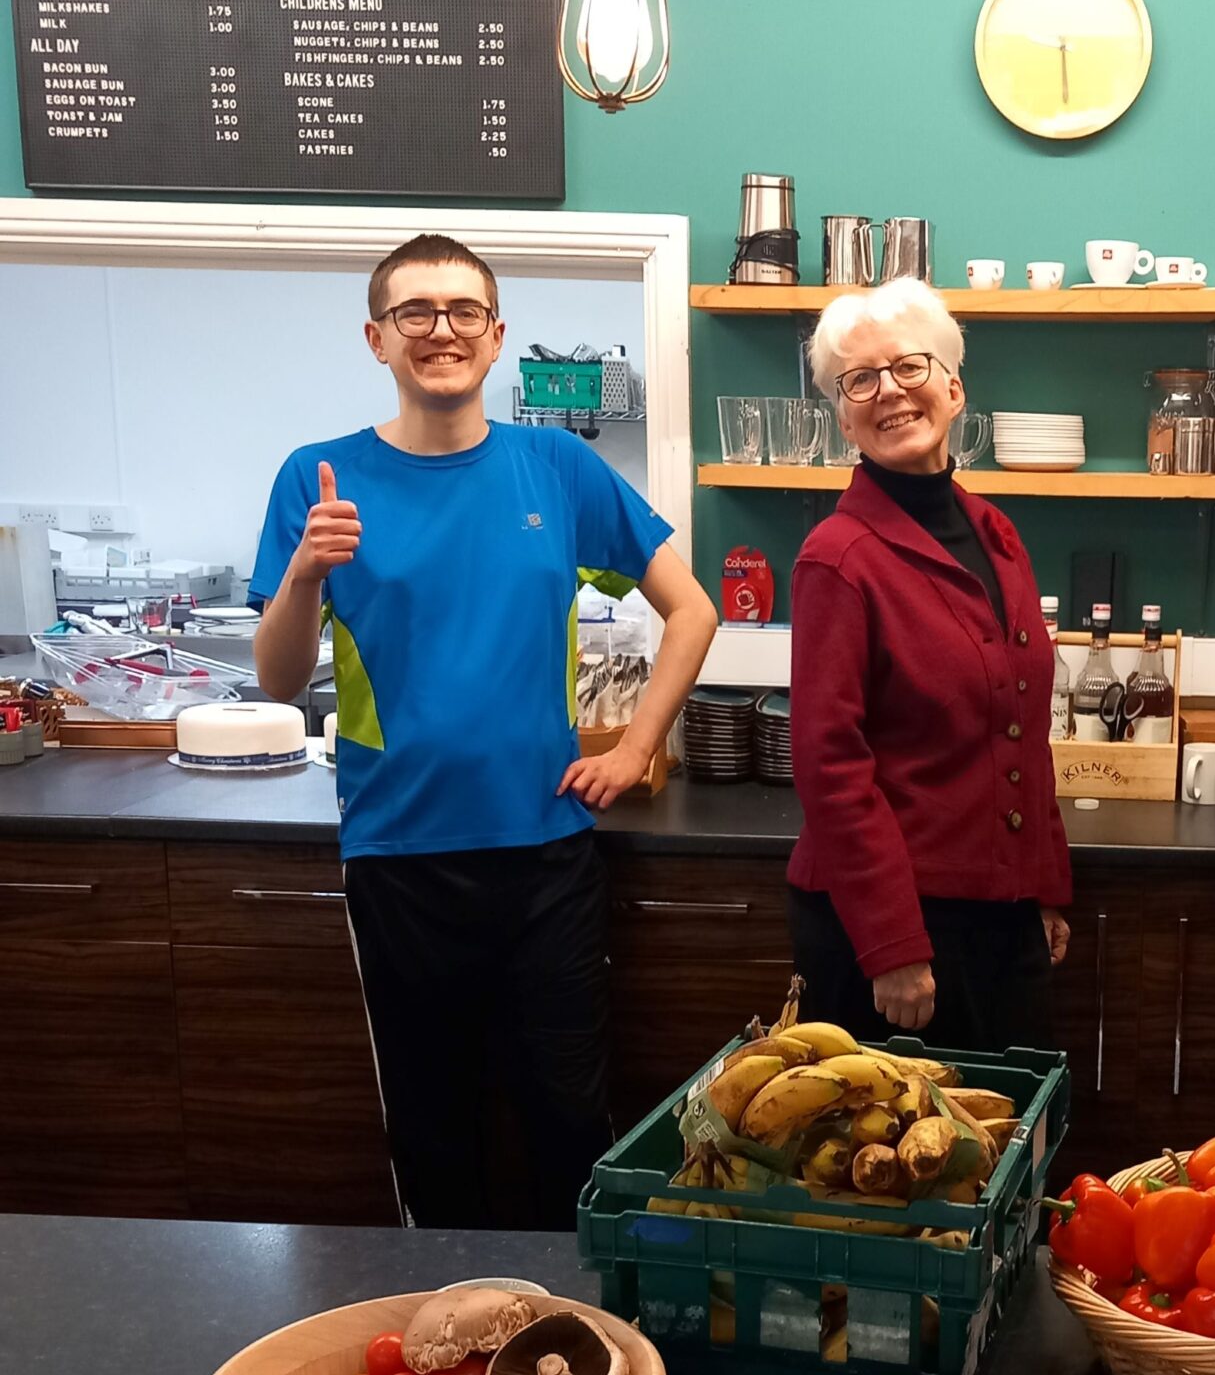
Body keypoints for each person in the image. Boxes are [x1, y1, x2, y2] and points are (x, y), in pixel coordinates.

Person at [251, 232, 717, 1230]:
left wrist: (633, 747)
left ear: (497, 336)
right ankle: (448, 1351)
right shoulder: (318, 476)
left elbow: (694, 610)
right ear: (377, 338)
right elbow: (280, 680)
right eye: (415, 313)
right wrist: (302, 576)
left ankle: (577, 1355)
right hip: (397, 857)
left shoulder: (554, 465)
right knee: (432, 1132)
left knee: (566, 1126)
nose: (441, 331)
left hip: (545, 855)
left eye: (463, 312)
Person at [786, 277, 1071, 1048]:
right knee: (901, 1163)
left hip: (999, 918)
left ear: (953, 387)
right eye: (861, 380)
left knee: (1017, 1143)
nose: (889, 393)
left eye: (909, 368)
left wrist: (1042, 887)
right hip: (891, 932)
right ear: (844, 415)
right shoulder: (837, 559)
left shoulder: (997, 533)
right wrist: (893, 945)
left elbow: (1023, 727)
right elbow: (830, 766)